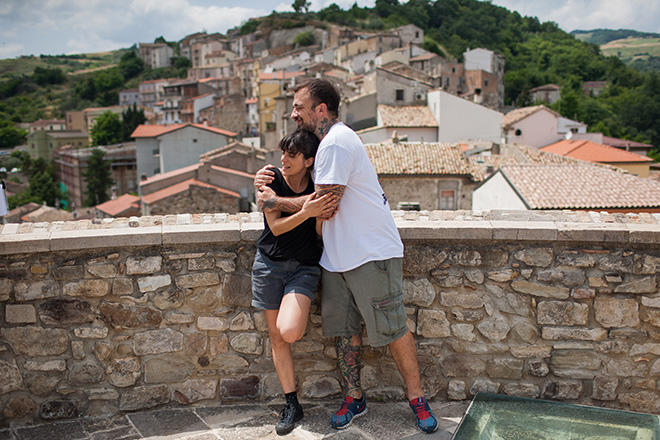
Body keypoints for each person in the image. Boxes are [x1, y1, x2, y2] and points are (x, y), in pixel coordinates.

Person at [255, 78, 438, 434]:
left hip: (370, 254)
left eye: (299, 107)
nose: (293, 114)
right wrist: (271, 181)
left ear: (320, 109)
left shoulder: (336, 143)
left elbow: (326, 205)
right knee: (345, 332)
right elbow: (313, 195)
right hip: (337, 258)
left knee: (393, 327)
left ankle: (417, 398)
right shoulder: (325, 145)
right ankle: (354, 398)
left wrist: (273, 201)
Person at [251, 129, 335, 436]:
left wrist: (310, 211)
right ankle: (291, 403)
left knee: (289, 331)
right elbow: (275, 227)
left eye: (292, 155)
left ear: (309, 160)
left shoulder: (319, 184)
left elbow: (321, 224)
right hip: (268, 264)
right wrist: (306, 209)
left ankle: (292, 402)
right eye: (282, 153)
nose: (283, 160)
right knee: (276, 338)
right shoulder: (270, 177)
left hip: (304, 267)